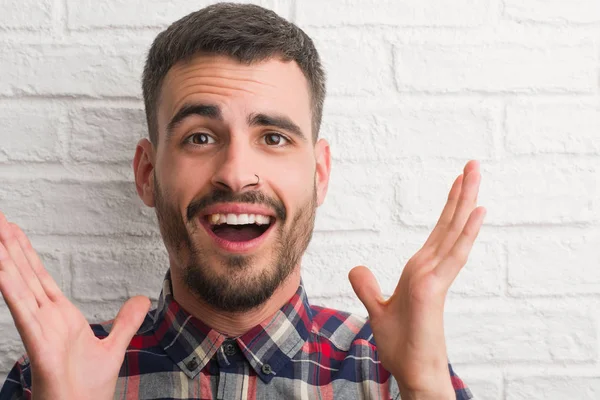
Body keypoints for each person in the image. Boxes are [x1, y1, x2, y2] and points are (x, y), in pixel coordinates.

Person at [0, 3, 485, 399]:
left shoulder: (397, 376)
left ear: (318, 174)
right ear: (148, 175)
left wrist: (422, 389)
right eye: (199, 138)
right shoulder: (50, 375)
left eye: (273, 138)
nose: (235, 174)